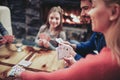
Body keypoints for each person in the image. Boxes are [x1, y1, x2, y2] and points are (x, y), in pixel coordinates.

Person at [8, 0, 120, 79]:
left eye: (93, 6)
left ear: (114, 12)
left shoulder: (107, 62)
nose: (87, 13)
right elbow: (90, 45)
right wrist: (73, 53)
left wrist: (22, 73)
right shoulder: (98, 36)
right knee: (74, 43)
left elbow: (52, 78)